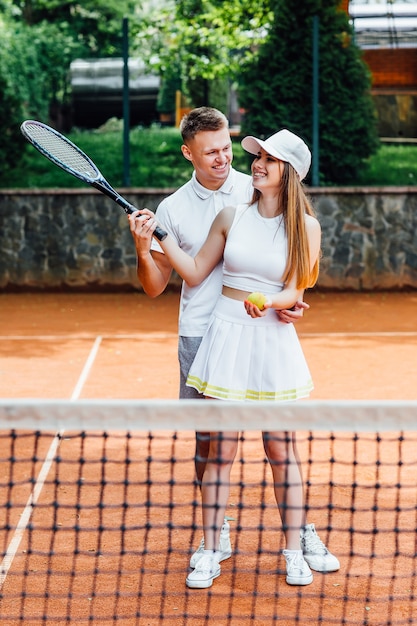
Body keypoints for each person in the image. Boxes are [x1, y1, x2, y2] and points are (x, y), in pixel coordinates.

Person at [128, 108, 337, 579]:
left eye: (230, 148)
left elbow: (298, 280)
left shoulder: (260, 192)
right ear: (189, 154)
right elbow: (170, 279)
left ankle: (298, 535)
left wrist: (284, 303)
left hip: (267, 338)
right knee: (212, 445)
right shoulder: (180, 209)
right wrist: (146, 245)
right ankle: (213, 536)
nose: (229, 159)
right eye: (213, 152)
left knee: (280, 445)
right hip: (207, 332)